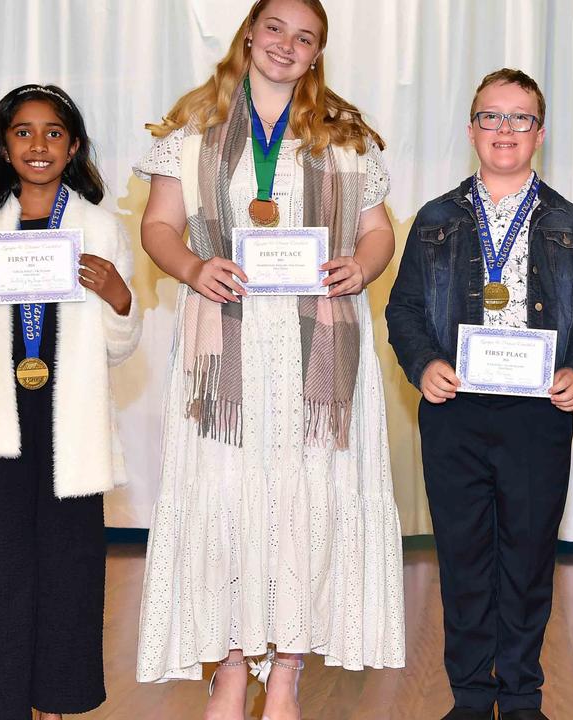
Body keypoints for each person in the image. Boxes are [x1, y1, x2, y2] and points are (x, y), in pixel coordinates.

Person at [133, 1, 405, 718]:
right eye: (276, 29)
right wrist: (192, 268)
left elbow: (380, 233)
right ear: (249, 34)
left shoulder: (344, 135)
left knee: (309, 498)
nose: (287, 45)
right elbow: (157, 227)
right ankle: (227, 664)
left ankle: (285, 670)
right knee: (223, 495)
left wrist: (362, 266)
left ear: (318, 53)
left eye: (305, 37)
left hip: (317, 352)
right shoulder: (192, 128)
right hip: (226, 349)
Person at [385, 68, 573, 720]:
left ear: (539, 133)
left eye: (520, 118)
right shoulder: (434, 219)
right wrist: (423, 362)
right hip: (454, 411)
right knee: (462, 560)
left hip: (539, 416)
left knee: (527, 560)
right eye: (492, 116)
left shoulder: (572, 221)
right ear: (471, 130)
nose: (505, 130)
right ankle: (469, 696)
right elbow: (402, 311)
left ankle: (520, 698)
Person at [0, 83, 140, 720]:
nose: (37, 144)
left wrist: (122, 299)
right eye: (23, 131)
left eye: (52, 133)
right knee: (1, 580)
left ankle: (61, 705)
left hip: (68, 428)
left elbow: (119, 345)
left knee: (72, 575)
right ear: (3, 145)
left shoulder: (100, 227)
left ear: (72, 147)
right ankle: (5, 709)